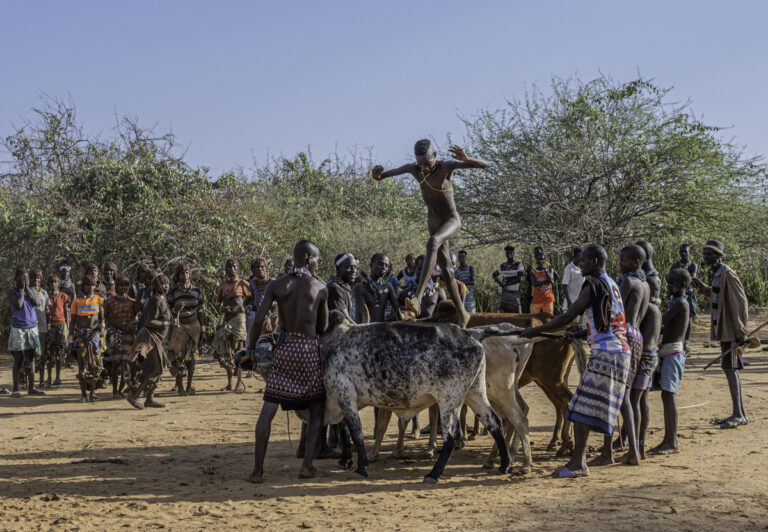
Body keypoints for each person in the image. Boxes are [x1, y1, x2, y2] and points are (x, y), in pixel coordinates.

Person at [519, 245, 631, 479]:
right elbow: (607, 320)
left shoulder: (592, 284)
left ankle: (579, 463)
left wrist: (532, 332)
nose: (580, 265)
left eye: (584, 261)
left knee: (580, 408)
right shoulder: (611, 283)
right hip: (619, 350)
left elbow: (569, 314)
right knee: (600, 406)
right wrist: (581, 333)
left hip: (607, 353)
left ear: (596, 260)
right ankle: (603, 453)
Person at [372, 141, 488, 327]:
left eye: (427, 163)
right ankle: (463, 314)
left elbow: (484, 165)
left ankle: (417, 299)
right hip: (433, 223)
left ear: (435, 156)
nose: (424, 167)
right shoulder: (414, 170)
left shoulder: (445, 167)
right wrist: (377, 175)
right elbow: (383, 176)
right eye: (420, 163)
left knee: (432, 243)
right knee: (448, 271)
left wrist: (466, 158)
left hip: (451, 220)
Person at [245, 240, 329, 482]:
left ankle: (257, 471)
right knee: (316, 410)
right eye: (315, 259)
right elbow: (322, 327)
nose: (316, 263)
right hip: (307, 351)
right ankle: (307, 466)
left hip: (283, 349)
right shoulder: (320, 287)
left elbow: (259, 320)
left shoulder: (277, 285)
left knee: (268, 410)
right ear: (306, 258)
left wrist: (250, 351)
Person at [595, 245, 647, 466]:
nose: (620, 263)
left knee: (619, 396)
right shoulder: (644, 283)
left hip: (623, 336)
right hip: (637, 337)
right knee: (627, 397)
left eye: (624, 260)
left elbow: (615, 310)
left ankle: (619, 452)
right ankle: (634, 448)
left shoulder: (627, 282)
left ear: (636, 262)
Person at [691, 240, 749, 429]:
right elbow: (717, 295)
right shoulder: (717, 275)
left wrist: (741, 333)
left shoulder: (728, 274)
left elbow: (739, 304)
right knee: (728, 368)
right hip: (723, 331)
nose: (706, 258)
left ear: (719, 256)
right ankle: (738, 413)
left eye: (710, 255)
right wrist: (701, 288)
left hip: (731, 332)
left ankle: (739, 415)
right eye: (705, 255)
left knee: (731, 369)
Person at [650, 269, 691, 454]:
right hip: (669, 351)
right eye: (668, 283)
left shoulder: (681, 303)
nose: (669, 286)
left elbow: (661, 322)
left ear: (683, 285)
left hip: (673, 353)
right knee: (666, 395)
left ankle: (672, 441)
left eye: (672, 283)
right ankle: (668, 439)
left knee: (669, 395)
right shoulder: (677, 302)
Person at [126, 273, 172, 409]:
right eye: (162, 284)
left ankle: (149, 399)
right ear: (156, 286)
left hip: (155, 339)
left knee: (158, 367)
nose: (166, 286)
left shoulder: (161, 299)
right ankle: (135, 395)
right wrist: (165, 323)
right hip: (150, 338)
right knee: (157, 368)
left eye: (167, 283)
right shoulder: (157, 300)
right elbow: (149, 321)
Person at [212, 258, 251, 391]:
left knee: (238, 349)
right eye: (228, 267)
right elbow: (218, 302)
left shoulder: (243, 283)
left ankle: (239, 382)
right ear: (225, 269)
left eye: (234, 266)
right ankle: (229, 383)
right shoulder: (222, 285)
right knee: (226, 350)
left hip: (239, 319)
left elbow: (251, 298)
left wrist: (246, 307)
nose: (231, 269)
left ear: (238, 268)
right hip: (226, 319)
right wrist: (222, 308)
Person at [166, 265, 205, 396]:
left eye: (187, 272)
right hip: (179, 327)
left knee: (192, 358)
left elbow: (200, 310)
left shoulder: (197, 291)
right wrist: (175, 310)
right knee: (178, 358)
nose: (185, 275)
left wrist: (203, 328)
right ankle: (180, 387)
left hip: (194, 327)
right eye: (182, 273)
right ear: (177, 276)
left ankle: (189, 385)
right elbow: (168, 311)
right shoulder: (173, 292)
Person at [68, 276, 105, 402]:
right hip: (81, 335)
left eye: (93, 285)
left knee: (95, 365)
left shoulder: (98, 300)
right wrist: (70, 338)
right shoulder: (76, 301)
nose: (90, 287)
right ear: (83, 287)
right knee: (82, 365)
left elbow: (102, 318)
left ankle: (93, 392)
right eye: (88, 285)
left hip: (94, 335)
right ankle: (83, 394)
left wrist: (102, 328)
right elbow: (72, 321)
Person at [8, 268, 44, 397]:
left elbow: (36, 303)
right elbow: (18, 305)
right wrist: (22, 290)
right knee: (18, 359)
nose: (24, 281)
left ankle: (31, 387)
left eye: (26, 278)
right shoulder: (12, 292)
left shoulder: (30, 291)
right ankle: (16, 388)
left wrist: (28, 289)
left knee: (31, 359)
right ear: (15, 279)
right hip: (18, 328)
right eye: (22, 278)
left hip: (32, 327)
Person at [104, 276, 138, 398]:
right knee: (115, 363)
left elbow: (136, 318)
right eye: (121, 285)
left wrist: (131, 325)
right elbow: (106, 317)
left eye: (126, 286)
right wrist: (111, 328)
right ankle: (114, 390)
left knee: (126, 363)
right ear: (116, 286)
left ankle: (121, 389)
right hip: (115, 334)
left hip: (129, 336)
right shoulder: (110, 301)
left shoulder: (132, 302)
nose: (123, 288)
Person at [354, 253, 400, 323]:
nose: (384, 267)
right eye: (380, 264)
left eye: (386, 266)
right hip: (362, 330)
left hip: (379, 330)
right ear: (371, 265)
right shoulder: (360, 287)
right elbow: (363, 313)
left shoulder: (387, 287)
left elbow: (397, 309)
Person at [670, 244, 698, 351]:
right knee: (676, 318)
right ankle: (677, 341)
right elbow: (671, 279)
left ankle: (686, 342)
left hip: (688, 294)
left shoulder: (692, 265)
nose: (683, 254)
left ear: (689, 252)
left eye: (685, 252)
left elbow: (693, 279)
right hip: (677, 294)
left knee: (688, 319)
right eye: (681, 252)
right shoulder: (675, 265)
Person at [45, 274, 70, 386]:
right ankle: (49, 378)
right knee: (49, 354)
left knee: (59, 353)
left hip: (61, 325)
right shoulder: (45, 296)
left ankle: (58, 377)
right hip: (49, 327)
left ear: (59, 284)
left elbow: (66, 312)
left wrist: (68, 327)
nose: (53, 284)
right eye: (51, 282)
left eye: (55, 282)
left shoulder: (63, 296)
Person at [247, 257, 277, 344]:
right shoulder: (252, 284)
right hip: (259, 316)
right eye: (256, 267)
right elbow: (253, 302)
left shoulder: (273, 282)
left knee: (272, 340)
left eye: (261, 267)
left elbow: (278, 301)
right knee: (259, 340)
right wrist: (250, 307)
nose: (259, 269)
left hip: (272, 316)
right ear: (253, 270)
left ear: (266, 268)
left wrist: (270, 304)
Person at [29, 269, 50, 389]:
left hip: (42, 328)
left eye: (38, 278)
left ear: (40, 280)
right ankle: (26, 380)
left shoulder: (44, 293)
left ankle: (41, 380)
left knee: (41, 354)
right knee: (28, 354)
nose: (35, 280)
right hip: (29, 327)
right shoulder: (27, 292)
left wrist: (49, 326)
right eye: (33, 278)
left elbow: (47, 310)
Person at [492, 245, 525, 313]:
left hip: (515, 292)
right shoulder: (503, 266)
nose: (508, 255)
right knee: (506, 314)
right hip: (505, 293)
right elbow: (494, 275)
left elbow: (519, 279)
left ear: (513, 253)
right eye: (507, 253)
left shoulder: (518, 264)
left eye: (510, 253)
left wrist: (506, 284)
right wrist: (499, 283)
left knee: (518, 313)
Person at [327, 253, 358, 322]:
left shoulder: (342, 287)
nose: (354, 271)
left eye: (355, 267)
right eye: (349, 267)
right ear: (338, 269)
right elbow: (345, 320)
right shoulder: (335, 288)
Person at [636, 241, 661, 306]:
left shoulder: (652, 280)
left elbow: (652, 307)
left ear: (646, 256)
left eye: (636, 255)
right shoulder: (643, 274)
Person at [561, 247, 584, 315]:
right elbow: (564, 285)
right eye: (578, 256)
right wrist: (569, 302)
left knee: (580, 325)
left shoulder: (583, 268)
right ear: (574, 256)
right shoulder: (569, 268)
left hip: (580, 304)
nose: (580, 258)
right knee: (571, 325)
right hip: (571, 304)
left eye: (581, 256)